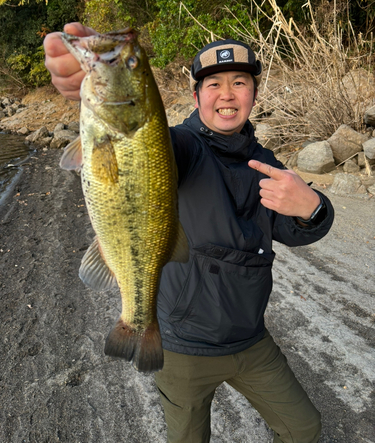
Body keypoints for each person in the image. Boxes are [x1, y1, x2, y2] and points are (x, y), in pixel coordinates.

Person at [44, 24, 334, 443]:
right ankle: (137, 322)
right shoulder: (180, 146)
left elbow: (293, 229)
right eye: (213, 84)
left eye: (240, 82)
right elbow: (152, 142)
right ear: (196, 97)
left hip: (251, 340)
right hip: (182, 345)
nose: (228, 94)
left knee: (305, 428)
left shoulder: (266, 163)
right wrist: (85, 79)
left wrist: (314, 208)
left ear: (254, 93)